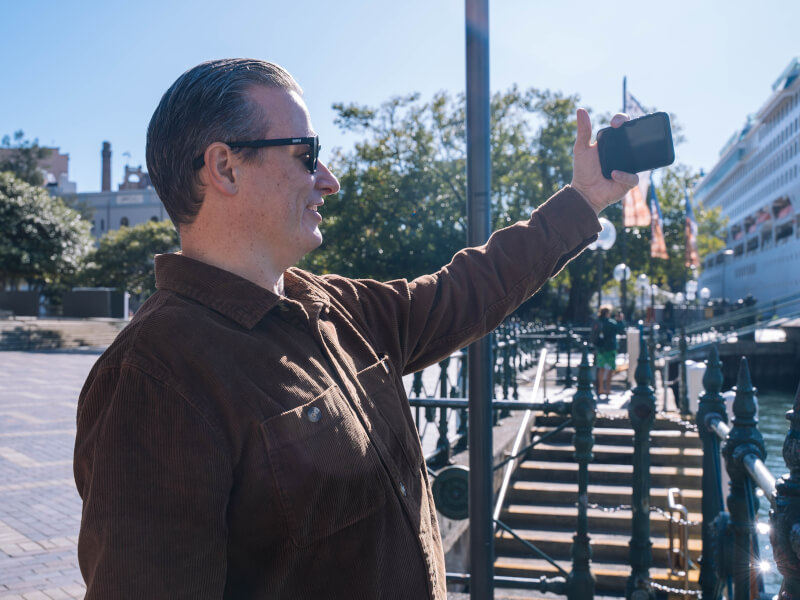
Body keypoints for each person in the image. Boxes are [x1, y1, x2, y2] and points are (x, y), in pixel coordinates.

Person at [73, 58, 636, 599]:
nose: (329, 180)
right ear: (224, 168)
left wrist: (584, 201)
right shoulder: (153, 375)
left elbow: (467, 290)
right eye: (306, 154)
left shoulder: (331, 304)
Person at [592, 303, 626, 398]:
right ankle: (608, 389)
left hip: (600, 348)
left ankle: (600, 388)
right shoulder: (610, 322)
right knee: (610, 369)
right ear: (607, 313)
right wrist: (620, 320)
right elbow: (620, 329)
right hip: (610, 348)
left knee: (601, 368)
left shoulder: (598, 321)